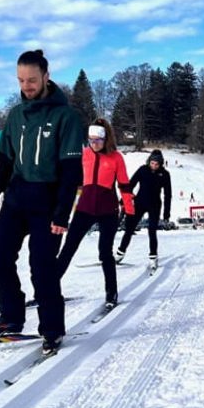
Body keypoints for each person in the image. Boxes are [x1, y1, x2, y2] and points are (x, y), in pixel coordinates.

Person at [0, 49, 83, 355]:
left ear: (46, 77)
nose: (26, 86)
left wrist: (62, 213)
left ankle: (52, 328)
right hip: (16, 200)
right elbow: (5, 161)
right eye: (21, 80)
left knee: (42, 268)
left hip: (48, 204)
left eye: (32, 79)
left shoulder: (67, 117)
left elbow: (71, 170)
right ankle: (11, 316)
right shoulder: (15, 116)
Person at [55, 119, 135, 308]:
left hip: (108, 211)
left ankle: (111, 293)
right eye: (90, 140)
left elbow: (124, 184)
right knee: (68, 249)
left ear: (105, 139)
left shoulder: (116, 157)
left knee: (105, 253)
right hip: (84, 209)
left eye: (98, 140)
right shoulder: (83, 155)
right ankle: (49, 288)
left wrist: (129, 209)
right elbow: (68, 180)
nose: (94, 144)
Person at [115, 149, 172, 267]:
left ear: (160, 164)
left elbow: (168, 195)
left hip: (155, 205)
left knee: (152, 231)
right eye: (152, 163)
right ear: (149, 161)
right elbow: (131, 184)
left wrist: (166, 214)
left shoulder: (165, 174)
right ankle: (120, 254)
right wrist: (123, 200)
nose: (154, 166)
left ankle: (153, 257)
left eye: (156, 164)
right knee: (129, 229)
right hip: (140, 202)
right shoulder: (143, 170)